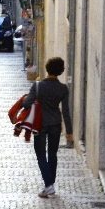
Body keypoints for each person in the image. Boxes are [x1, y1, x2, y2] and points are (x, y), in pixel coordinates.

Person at [22, 57, 73, 198]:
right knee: (52, 155)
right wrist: (69, 132)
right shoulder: (63, 88)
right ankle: (49, 185)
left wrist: (25, 100)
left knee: (40, 154)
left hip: (40, 124)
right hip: (56, 124)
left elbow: (27, 104)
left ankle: (49, 185)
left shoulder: (37, 86)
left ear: (47, 69)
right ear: (61, 71)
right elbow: (66, 112)